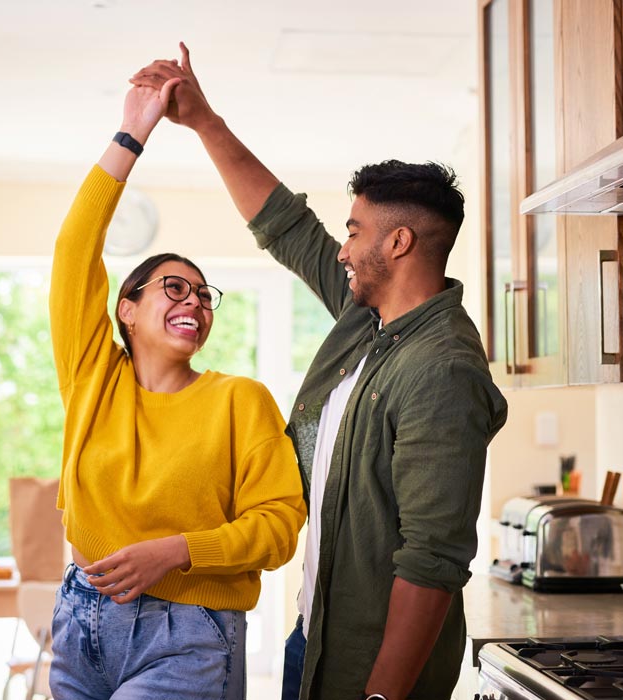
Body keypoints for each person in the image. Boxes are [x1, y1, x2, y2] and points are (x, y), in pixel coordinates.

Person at [130, 44, 509, 700]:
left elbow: (432, 564)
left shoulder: (441, 372)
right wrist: (203, 120)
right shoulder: (371, 319)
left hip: (371, 668)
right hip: (317, 636)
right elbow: (287, 226)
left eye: (355, 231)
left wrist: (381, 698)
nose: (342, 247)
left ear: (397, 244)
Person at [48, 72, 306, 700]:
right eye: (173, 286)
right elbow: (74, 251)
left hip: (189, 635)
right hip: (80, 620)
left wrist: (176, 552)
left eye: (203, 293)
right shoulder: (93, 379)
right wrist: (133, 131)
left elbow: (278, 525)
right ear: (126, 310)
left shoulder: (238, 400)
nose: (195, 300)